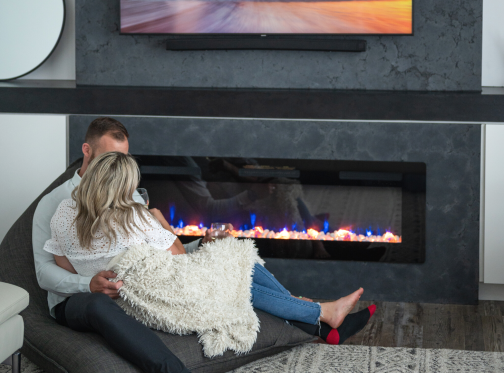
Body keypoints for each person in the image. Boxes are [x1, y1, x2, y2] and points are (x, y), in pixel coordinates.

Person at [43, 152, 375, 362]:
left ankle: (317, 319)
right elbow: (175, 253)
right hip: (160, 296)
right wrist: (159, 221)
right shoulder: (134, 216)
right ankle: (319, 313)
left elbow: (64, 265)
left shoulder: (62, 214)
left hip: (126, 296)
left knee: (234, 265)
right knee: (236, 257)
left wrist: (95, 276)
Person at [33, 117, 196, 373]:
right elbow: (44, 271)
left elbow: (156, 248)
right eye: (109, 158)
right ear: (87, 151)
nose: (116, 167)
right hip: (78, 299)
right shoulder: (55, 203)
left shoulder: (129, 196)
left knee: (226, 255)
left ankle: (284, 317)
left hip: (129, 287)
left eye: (124, 158)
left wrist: (197, 245)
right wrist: (87, 283)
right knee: (97, 304)